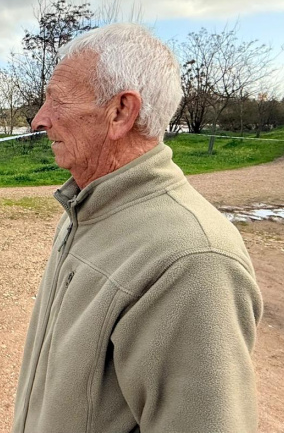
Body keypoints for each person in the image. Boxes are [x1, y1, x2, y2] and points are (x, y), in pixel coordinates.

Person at [13, 23, 263, 433]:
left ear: (120, 112)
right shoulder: (87, 205)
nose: (41, 119)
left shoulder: (192, 261)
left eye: (57, 101)